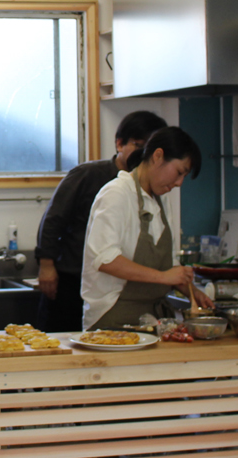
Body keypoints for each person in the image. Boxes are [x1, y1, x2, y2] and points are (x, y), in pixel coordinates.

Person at [33, 110, 168, 332]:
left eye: (150, 149)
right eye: (138, 145)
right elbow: (53, 220)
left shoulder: (151, 188)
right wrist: (46, 266)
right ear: (119, 143)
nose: (144, 154)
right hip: (71, 281)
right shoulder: (88, 174)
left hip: (115, 289)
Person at [81, 126, 210, 329]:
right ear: (158, 156)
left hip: (152, 317)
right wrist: (163, 277)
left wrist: (193, 292)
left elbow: (169, 264)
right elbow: (105, 259)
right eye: (179, 172)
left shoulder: (162, 201)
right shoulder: (116, 194)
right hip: (113, 316)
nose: (179, 183)